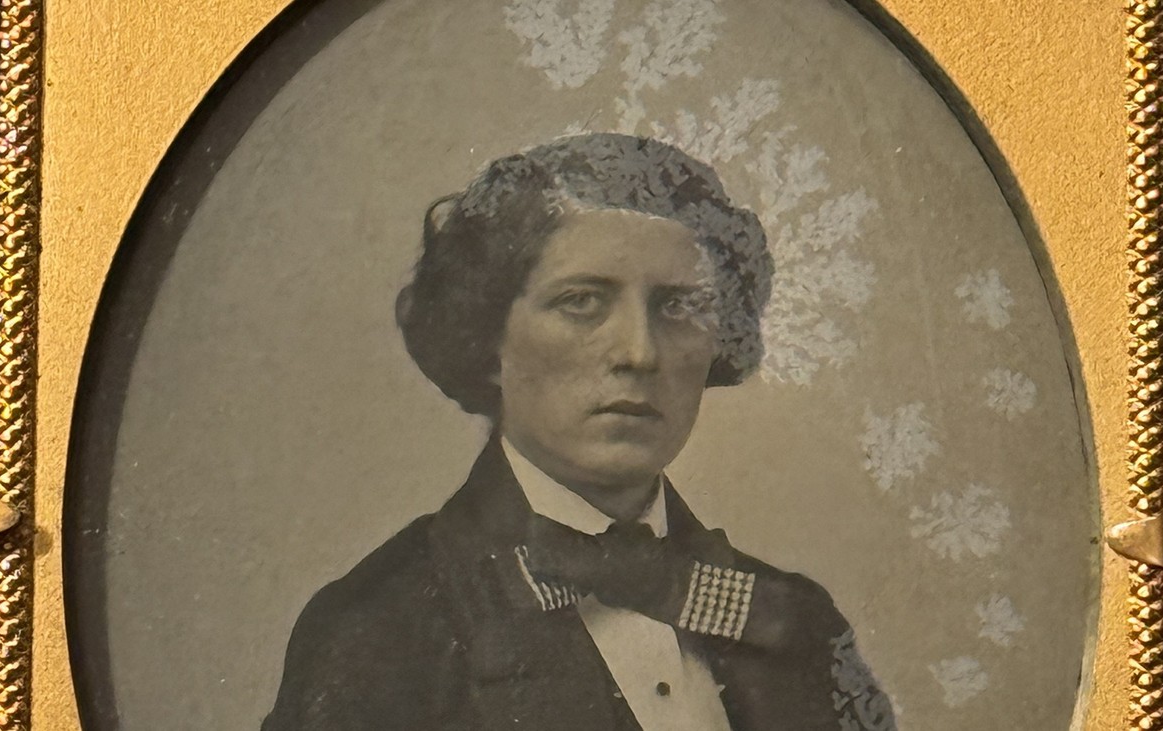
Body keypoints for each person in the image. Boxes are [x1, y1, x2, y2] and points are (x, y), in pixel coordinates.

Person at [263, 133, 895, 731]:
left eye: (678, 306)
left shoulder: (789, 621)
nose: (639, 353)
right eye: (582, 301)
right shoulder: (378, 631)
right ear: (487, 337)